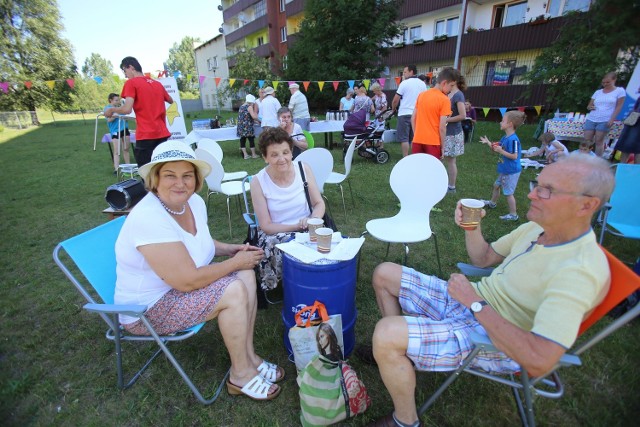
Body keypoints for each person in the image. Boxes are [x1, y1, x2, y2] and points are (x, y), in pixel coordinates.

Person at [364, 154, 614, 427]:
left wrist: (474, 303)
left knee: (387, 334)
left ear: (587, 205)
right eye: (536, 184)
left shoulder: (579, 270)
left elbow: (539, 359)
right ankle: (400, 358)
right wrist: (472, 226)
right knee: (385, 273)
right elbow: (483, 258)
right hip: (473, 303)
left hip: (497, 339)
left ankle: (405, 420)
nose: (531, 195)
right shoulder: (537, 228)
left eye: (547, 190)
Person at [114, 140, 284, 401]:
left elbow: (197, 243)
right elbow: (187, 281)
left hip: (176, 288)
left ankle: (249, 358)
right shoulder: (148, 217)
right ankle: (240, 376)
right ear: (154, 179)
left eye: (187, 175)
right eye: (169, 175)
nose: (180, 183)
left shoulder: (193, 203)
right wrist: (235, 263)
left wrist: (230, 250)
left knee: (246, 273)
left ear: (196, 179)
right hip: (147, 310)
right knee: (234, 288)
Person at [250, 127, 325, 291]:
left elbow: (319, 203)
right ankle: (296, 286)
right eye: (274, 154)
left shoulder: (303, 169)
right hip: (276, 232)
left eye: (285, 152)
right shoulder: (258, 182)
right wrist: (298, 227)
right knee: (288, 245)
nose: (282, 158)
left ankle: (317, 280)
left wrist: (313, 220)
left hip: (308, 225)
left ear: (292, 152)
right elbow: (266, 226)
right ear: (265, 157)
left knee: (323, 241)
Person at [104, 56, 173, 167]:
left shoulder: (131, 83)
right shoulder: (157, 84)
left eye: (125, 71)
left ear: (131, 67)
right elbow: (170, 100)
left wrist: (112, 109)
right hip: (162, 133)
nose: (125, 75)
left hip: (146, 135)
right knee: (161, 170)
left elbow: (127, 109)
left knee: (146, 172)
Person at [479, 111, 527, 221]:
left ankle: (513, 215)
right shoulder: (505, 137)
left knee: (508, 193)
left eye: (503, 120)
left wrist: (501, 151)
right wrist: (488, 143)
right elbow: (497, 148)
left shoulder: (513, 140)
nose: (500, 122)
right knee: (496, 186)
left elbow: (514, 156)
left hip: (511, 171)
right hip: (505, 169)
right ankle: (492, 203)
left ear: (510, 124)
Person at [410, 67, 455, 158]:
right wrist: (443, 147)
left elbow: (413, 118)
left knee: (417, 170)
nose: (451, 89)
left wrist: (416, 136)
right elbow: (442, 127)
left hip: (417, 140)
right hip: (433, 142)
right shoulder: (444, 100)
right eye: (451, 86)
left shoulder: (422, 95)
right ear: (444, 83)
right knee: (433, 170)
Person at [584, 72, 626, 157]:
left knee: (599, 141)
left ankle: (597, 160)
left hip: (605, 119)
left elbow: (619, 107)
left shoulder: (619, 91)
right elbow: (589, 105)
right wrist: (590, 107)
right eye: (603, 82)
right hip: (592, 118)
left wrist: (612, 119)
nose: (605, 84)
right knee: (587, 140)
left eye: (608, 82)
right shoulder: (598, 92)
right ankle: (585, 158)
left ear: (614, 80)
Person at [392, 65, 427, 157]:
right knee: (414, 137)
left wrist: (393, 108)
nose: (403, 74)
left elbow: (396, 99)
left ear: (411, 72)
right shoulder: (423, 84)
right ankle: (414, 156)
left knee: (404, 138)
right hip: (417, 113)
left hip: (404, 113)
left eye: (405, 72)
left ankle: (405, 156)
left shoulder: (404, 83)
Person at [443, 70, 467, 193]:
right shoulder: (447, 93)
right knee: (441, 157)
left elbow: (463, 115)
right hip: (444, 131)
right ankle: (440, 183)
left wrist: (446, 119)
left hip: (453, 133)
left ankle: (451, 186)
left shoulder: (458, 95)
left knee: (451, 160)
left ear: (454, 81)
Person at [104, 93, 131, 174]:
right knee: (117, 151)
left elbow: (127, 115)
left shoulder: (120, 107)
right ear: (110, 100)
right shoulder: (107, 108)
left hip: (124, 129)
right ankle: (116, 169)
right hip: (115, 130)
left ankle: (128, 166)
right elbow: (109, 120)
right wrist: (115, 114)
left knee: (126, 148)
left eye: (118, 100)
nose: (118, 101)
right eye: (116, 100)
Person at [615, 88, 640, 164]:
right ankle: (622, 166)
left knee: (637, 149)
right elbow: (634, 109)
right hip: (632, 122)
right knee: (625, 145)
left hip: (637, 126)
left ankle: (636, 170)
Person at [236, 94, 259, 159]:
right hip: (248, 126)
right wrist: (258, 118)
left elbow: (245, 117)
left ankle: (245, 155)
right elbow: (253, 116)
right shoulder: (249, 107)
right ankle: (253, 154)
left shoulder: (241, 106)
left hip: (241, 126)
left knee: (242, 140)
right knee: (251, 139)